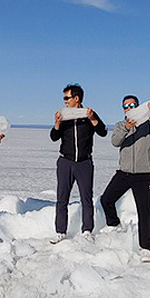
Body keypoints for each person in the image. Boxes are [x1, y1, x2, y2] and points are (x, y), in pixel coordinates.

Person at [99, 95, 150, 262]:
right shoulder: (120, 125)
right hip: (124, 172)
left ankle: (146, 248)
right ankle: (114, 224)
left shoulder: (148, 124)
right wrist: (126, 128)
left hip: (143, 175)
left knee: (144, 211)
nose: (128, 107)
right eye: (125, 106)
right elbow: (115, 141)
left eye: (132, 105)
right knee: (106, 199)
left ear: (137, 106)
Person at [50, 83, 107, 243]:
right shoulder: (63, 115)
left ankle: (87, 230)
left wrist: (93, 119)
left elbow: (102, 131)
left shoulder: (89, 114)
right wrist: (57, 123)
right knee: (62, 198)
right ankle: (60, 231)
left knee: (86, 198)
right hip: (65, 162)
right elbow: (54, 137)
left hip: (84, 163)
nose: (65, 101)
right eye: (64, 98)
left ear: (77, 98)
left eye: (67, 98)